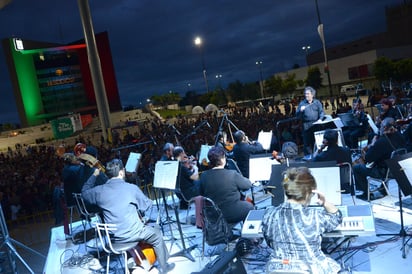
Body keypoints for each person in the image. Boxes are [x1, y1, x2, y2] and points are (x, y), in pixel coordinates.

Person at [81, 159, 174, 274]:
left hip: (114, 238)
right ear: (121, 172)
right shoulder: (131, 188)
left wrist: (94, 175)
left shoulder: (99, 191)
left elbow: (84, 193)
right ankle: (164, 267)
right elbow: (147, 205)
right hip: (133, 233)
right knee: (156, 233)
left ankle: (136, 258)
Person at [262, 167, 343, 274]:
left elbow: (269, 242)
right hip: (310, 269)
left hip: (277, 268)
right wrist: (324, 202)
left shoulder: (269, 214)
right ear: (309, 193)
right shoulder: (315, 216)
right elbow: (337, 216)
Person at [353, 117, 406, 200]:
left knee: (357, 168)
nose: (379, 127)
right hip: (398, 168)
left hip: (384, 172)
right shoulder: (399, 135)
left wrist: (372, 144)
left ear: (384, 128)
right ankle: (383, 189)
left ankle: (366, 194)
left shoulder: (381, 141)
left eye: (380, 126)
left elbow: (367, 158)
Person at [200, 146, 254, 224]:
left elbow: (201, 194)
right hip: (231, 212)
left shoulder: (203, 175)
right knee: (249, 206)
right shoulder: (232, 174)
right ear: (222, 159)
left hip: (213, 214)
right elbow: (248, 185)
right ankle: (249, 231)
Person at [312, 129, 352, 193]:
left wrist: (320, 149)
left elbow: (313, 160)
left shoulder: (322, 156)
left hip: (332, 187)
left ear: (325, 141)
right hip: (346, 186)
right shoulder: (347, 150)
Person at [296, 86, 325, 157]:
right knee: (307, 143)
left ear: (312, 94)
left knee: (317, 142)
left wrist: (320, 119)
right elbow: (297, 115)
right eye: (305, 94)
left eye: (308, 94)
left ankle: (318, 156)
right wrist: (300, 111)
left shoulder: (317, 102)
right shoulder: (302, 103)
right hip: (306, 125)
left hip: (316, 124)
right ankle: (309, 158)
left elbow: (321, 112)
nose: (306, 95)